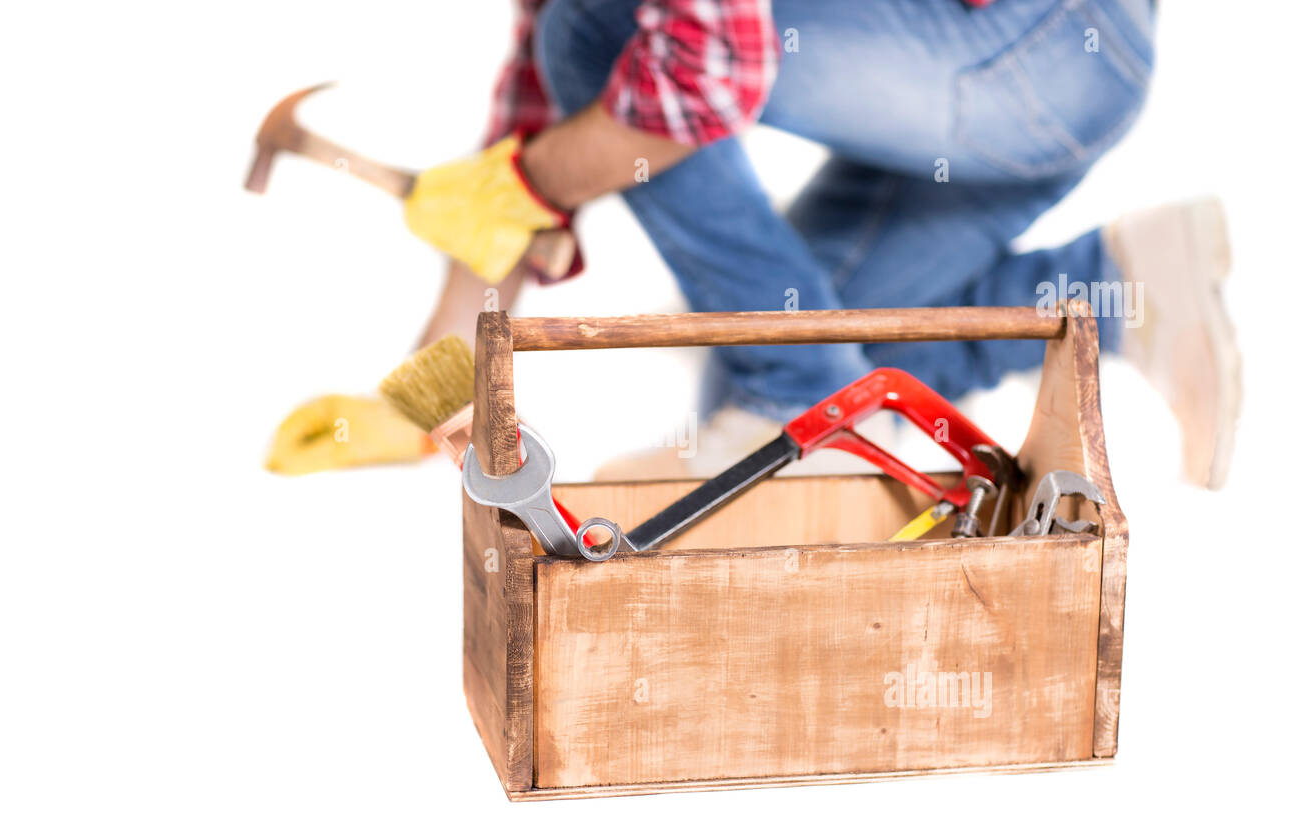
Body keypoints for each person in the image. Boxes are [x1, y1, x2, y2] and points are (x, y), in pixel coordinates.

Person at [267, 0, 1239, 489]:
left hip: (1046, 47)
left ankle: (795, 394)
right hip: (979, 73)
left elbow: (701, 68)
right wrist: (432, 379)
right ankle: (1119, 287)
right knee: (817, 348)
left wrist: (522, 184)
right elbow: (532, 118)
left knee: (597, 32)